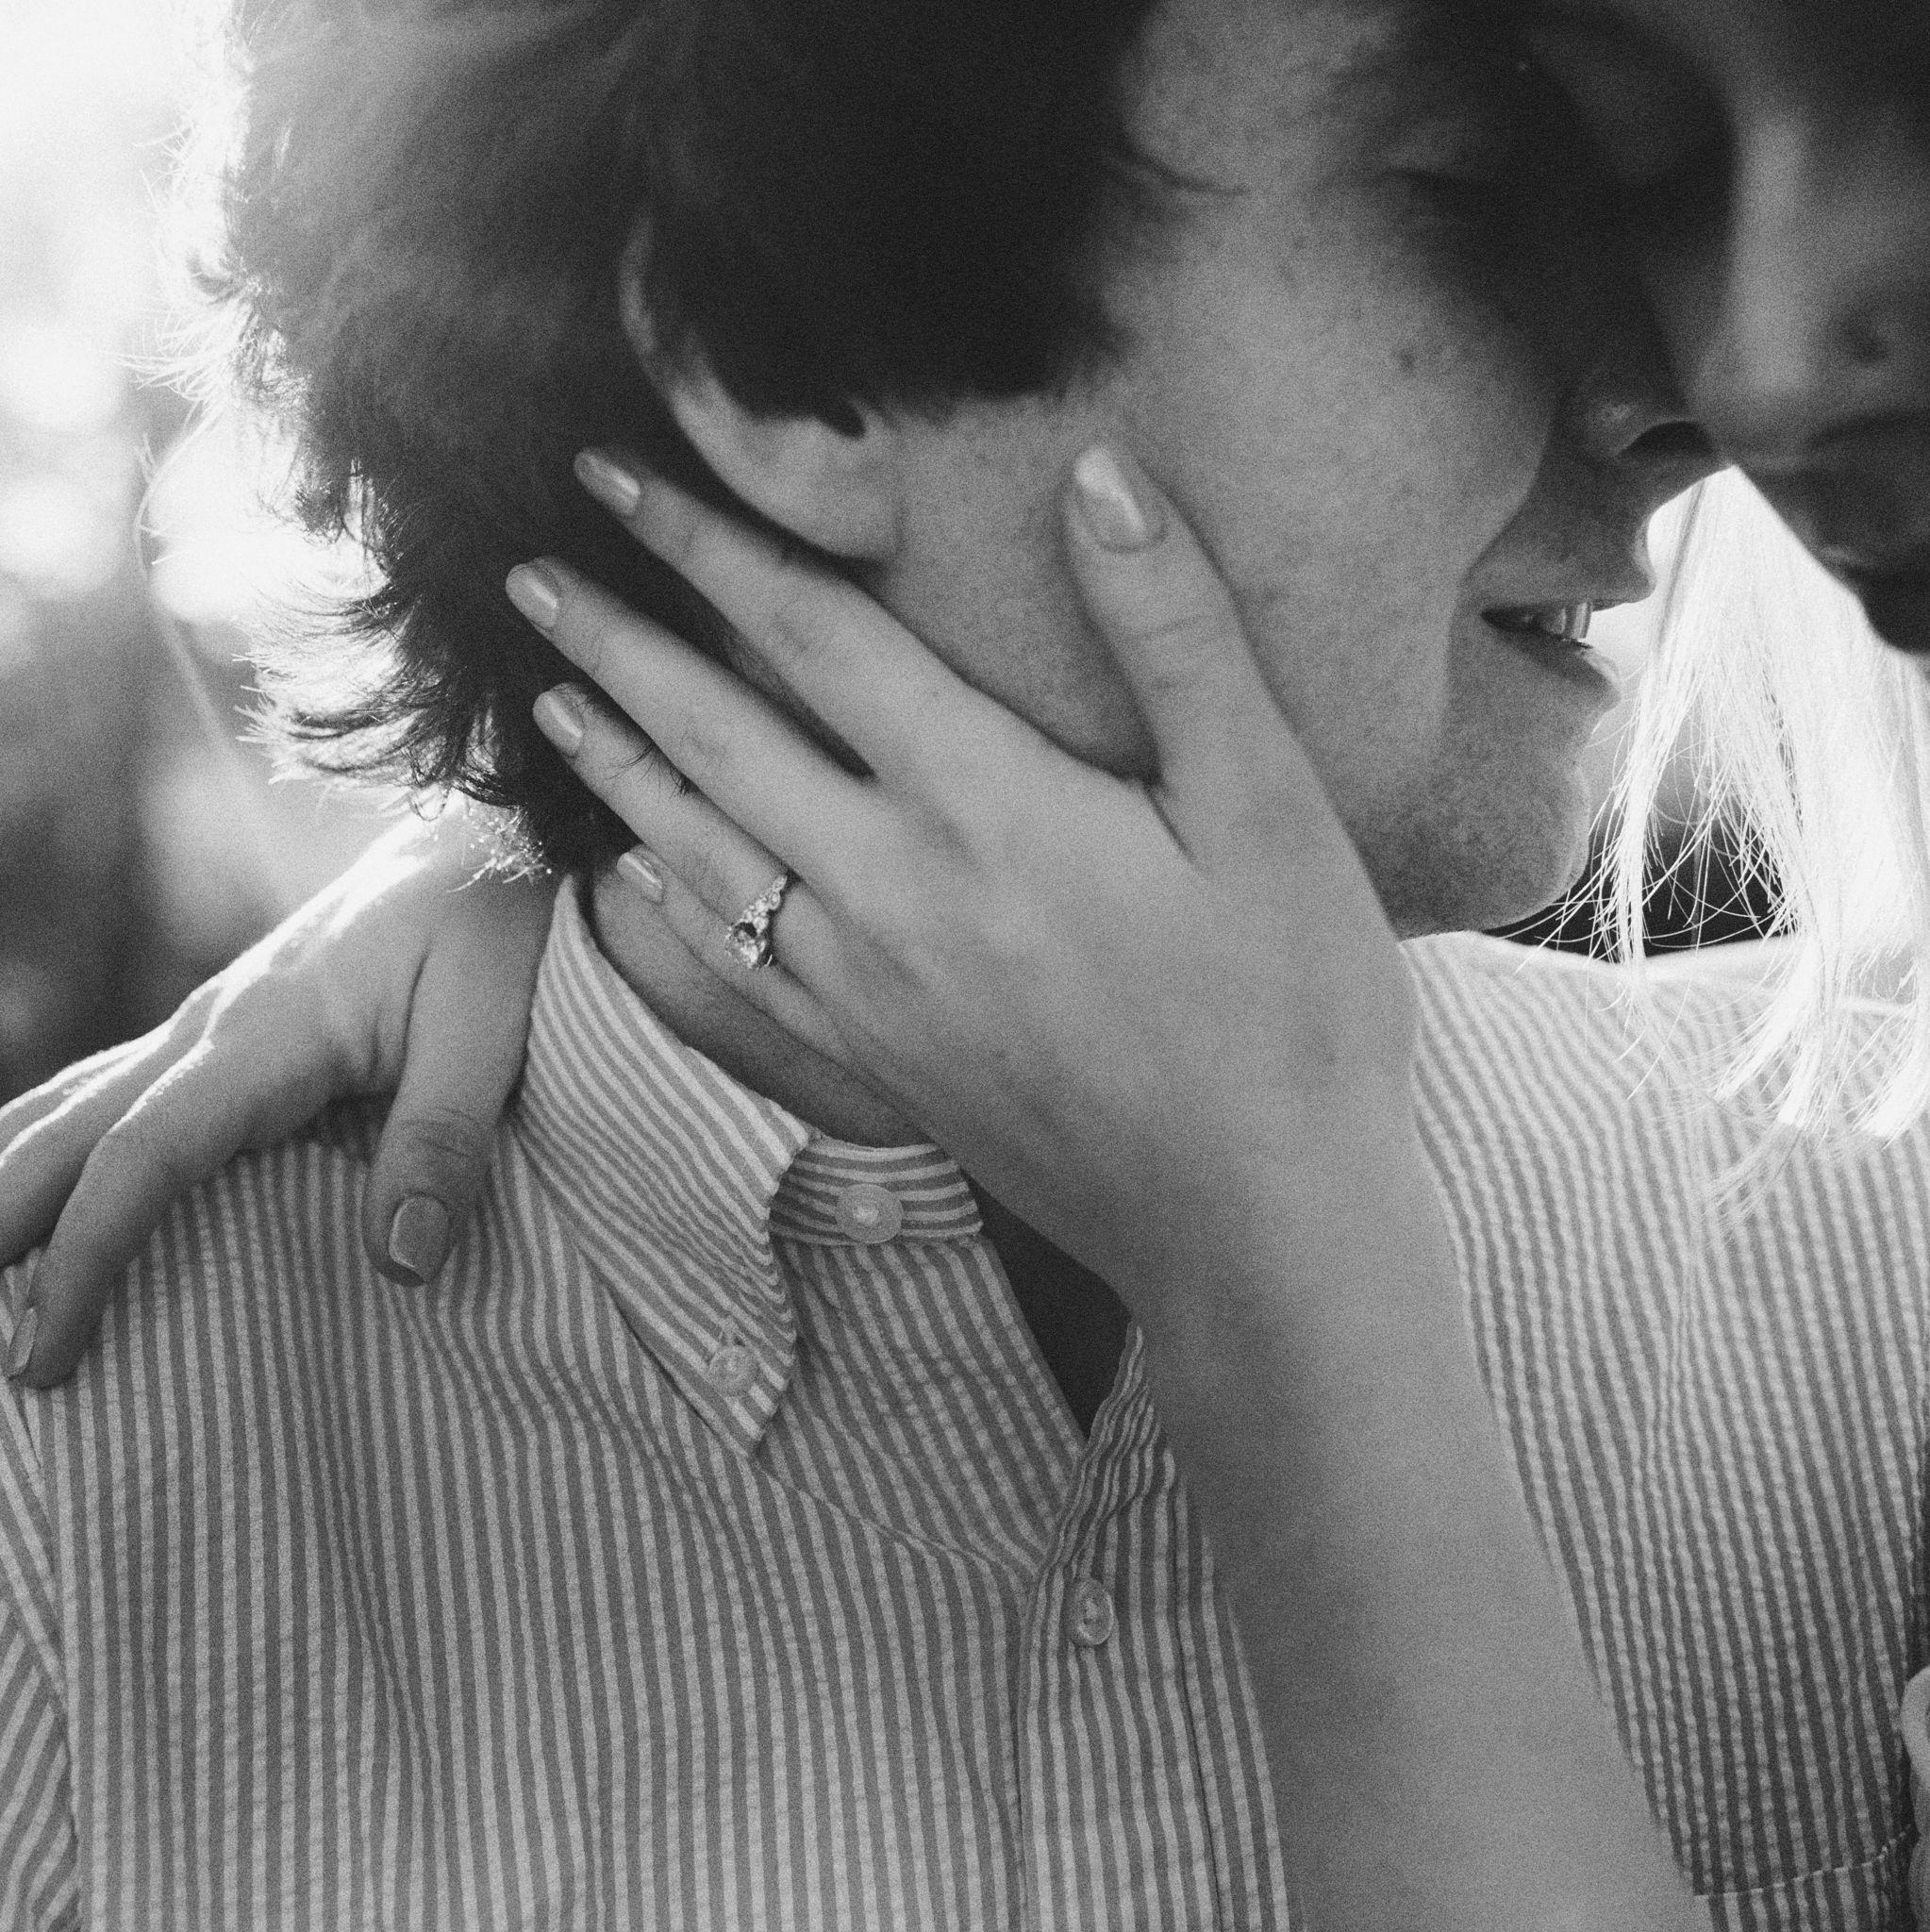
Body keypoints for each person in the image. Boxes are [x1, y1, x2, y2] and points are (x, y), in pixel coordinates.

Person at [0, 0, 1922, 1925]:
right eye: (1480, 196)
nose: (1687, 395)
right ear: (784, 351)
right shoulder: (67, 1533)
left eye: (1638, 182)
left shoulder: (1878, 1279)